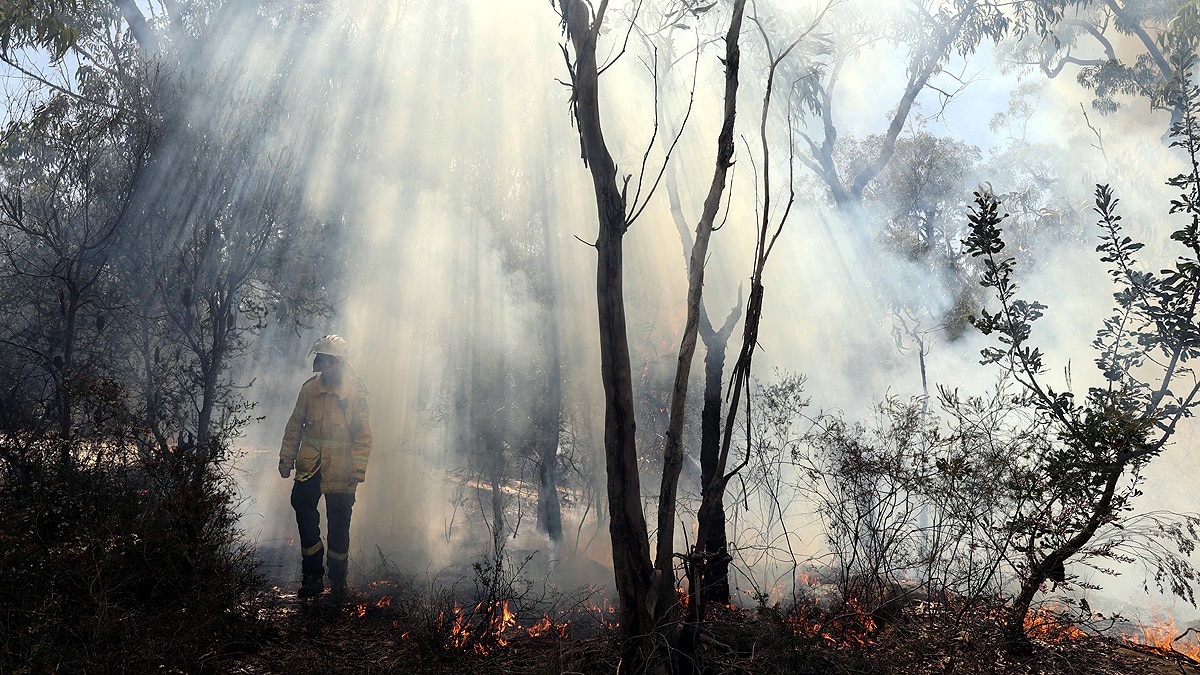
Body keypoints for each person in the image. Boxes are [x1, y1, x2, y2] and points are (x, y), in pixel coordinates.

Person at [278, 334, 373, 598]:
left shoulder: (355, 393)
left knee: (339, 523)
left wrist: (358, 470)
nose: (326, 367)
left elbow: (363, 436)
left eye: (331, 362)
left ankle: (338, 580)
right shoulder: (309, 389)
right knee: (302, 508)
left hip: (342, 471)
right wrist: (286, 460)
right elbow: (295, 425)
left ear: (341, 364)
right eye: (323, 361)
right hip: (311, 466)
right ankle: (312, 576)